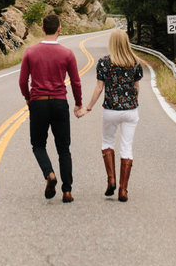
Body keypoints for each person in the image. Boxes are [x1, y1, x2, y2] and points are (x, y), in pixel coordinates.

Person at [18, 13, 83, 203]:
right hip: (59, 102)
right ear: (59, 29)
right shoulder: (67, 53)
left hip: (39, 103)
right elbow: (76, 82)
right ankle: (67, 191)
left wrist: (28, 98)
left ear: (42, 28)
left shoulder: (30, 52)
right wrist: (78, 103)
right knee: (64, 148)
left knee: (38, 145)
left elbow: (23, 81)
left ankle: (49, 174)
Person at [81, 28, 142, 202]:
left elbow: (99, 88)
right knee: (127, 146)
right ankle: (123, 190)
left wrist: (89, 107)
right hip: (130, 110)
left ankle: (111, 180)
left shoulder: (104, 62)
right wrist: (132, 101)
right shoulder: (135, 62)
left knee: (108, 142)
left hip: (111, 110)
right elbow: (137, 87)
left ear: (112, 43)